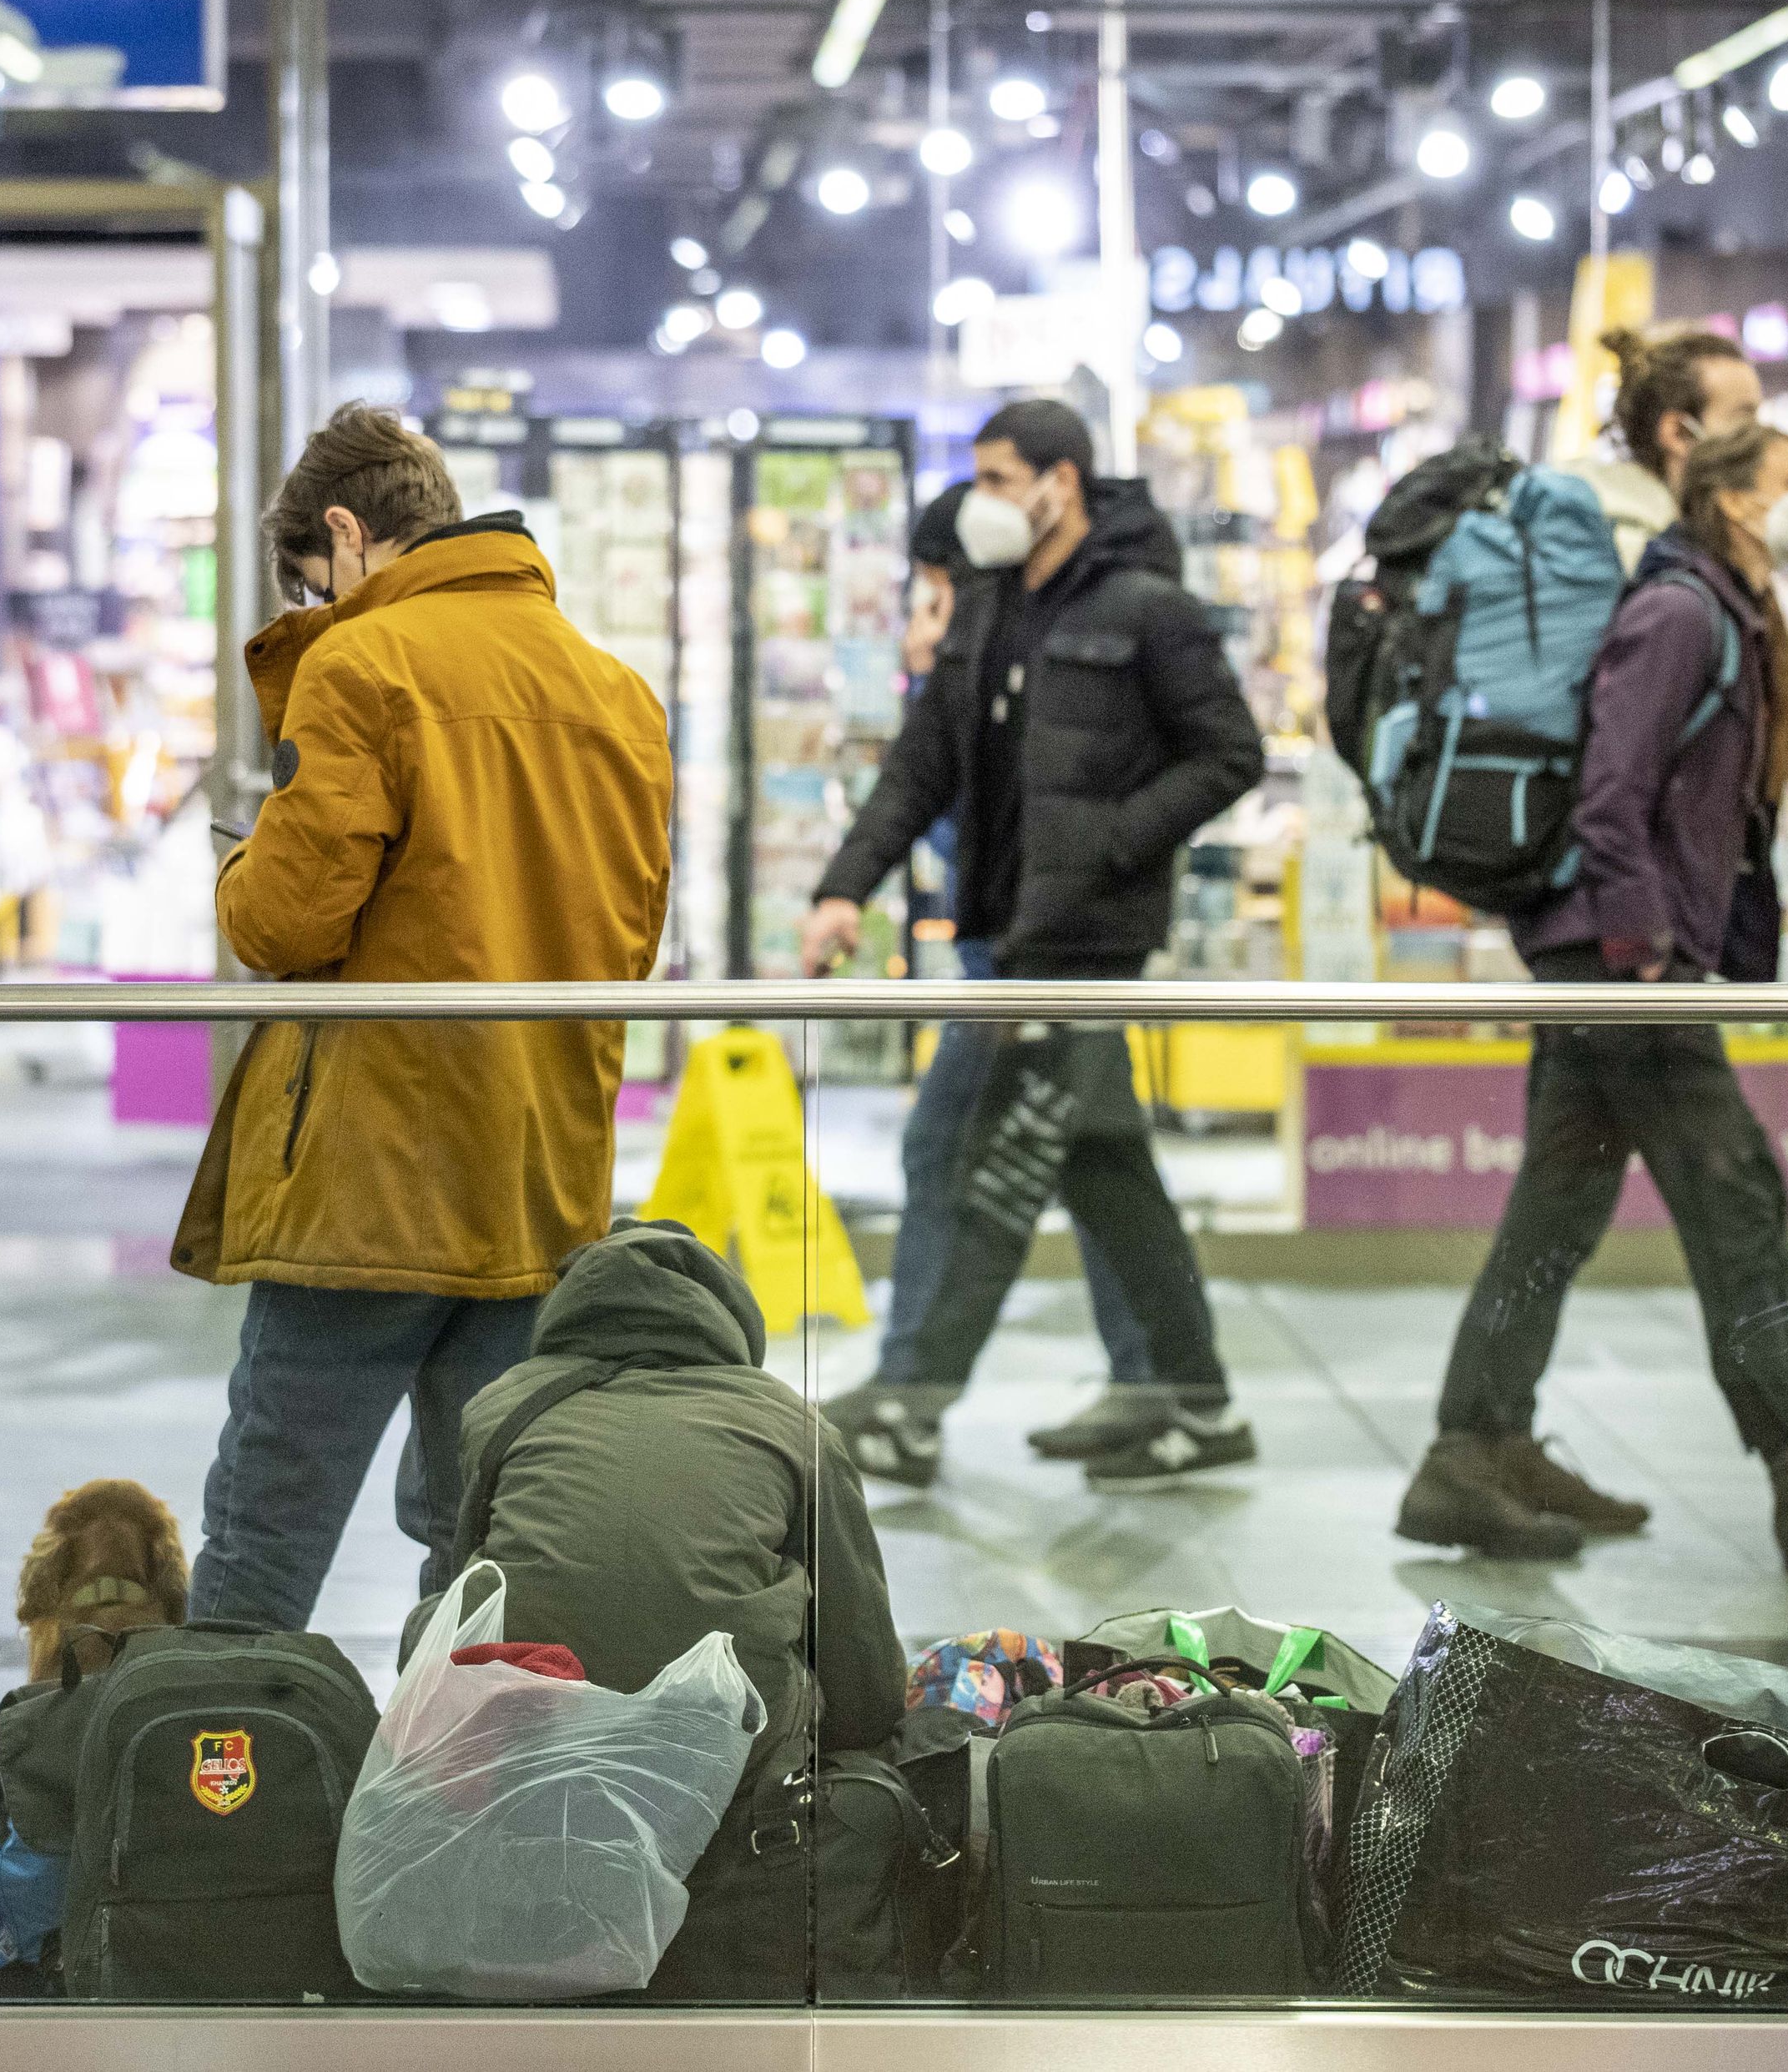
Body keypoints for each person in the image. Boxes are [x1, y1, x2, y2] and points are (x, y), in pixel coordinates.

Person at [1400, 423, 1788, 1569]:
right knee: (1733, 1194)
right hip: (1619, 960)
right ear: (1731, 501)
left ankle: (1473, 1448)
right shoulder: (1681, 612)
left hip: (1610, 952)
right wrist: (1644, 946)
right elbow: (1611, 789)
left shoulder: (1724, 608)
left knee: (1559, 1205)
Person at [176, 404, 672, 1632]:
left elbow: (284, 923)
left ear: (348, 531)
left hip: (371, 1171)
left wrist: (239, 862)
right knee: (478, 1540)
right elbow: (629, 934)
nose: (321, 605)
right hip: (539, 1168)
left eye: (315, 580)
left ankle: (221, 1750)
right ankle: (454, 1756)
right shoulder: (617, 692)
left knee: (267, 1524)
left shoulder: (363, 666)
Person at [802, 400, 1267, 1491]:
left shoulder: (1146, 609)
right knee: (1102, 1166)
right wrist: (843, 887)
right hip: (1000, 935)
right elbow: (922, 765)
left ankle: (912, 1400)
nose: (983, 502)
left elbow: (1229, 752)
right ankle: (1187, 1399)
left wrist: (1112, 841)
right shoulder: (989, 606)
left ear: (1062, 482)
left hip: (1082, 941)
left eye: (1000, 479)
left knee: (978, 1157)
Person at [410, 1219, 904, 1999]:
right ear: (729, 1322)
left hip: (527, 1736)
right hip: (724, 1756)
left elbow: (465, 1589)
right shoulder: (792, 1422)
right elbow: (861, 1660)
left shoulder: (502, 1405)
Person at [891, 481, 1161, 1460]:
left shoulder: (1017, 651)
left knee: (945, 1150)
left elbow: (980, 832)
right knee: (1102, 1165)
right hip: (1029, 955)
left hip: (1030, 961)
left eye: (933, 591)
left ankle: (907, 1398)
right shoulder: (1005, 650)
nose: (926, 616)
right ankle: (1165, 1387)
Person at [1563, 324, 1766, 573]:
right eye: (1744, 421)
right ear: (1678, 433)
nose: (1762, 438)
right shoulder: (1642, 554)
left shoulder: (1681, 537)